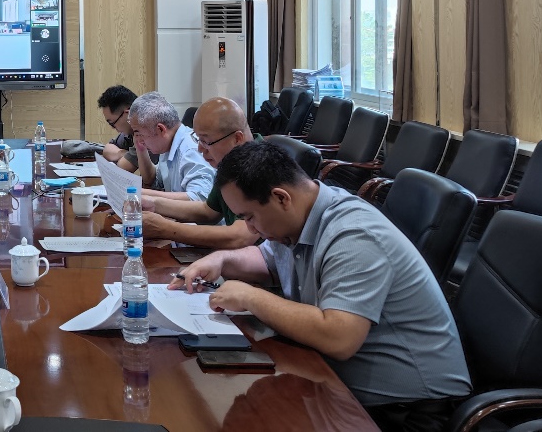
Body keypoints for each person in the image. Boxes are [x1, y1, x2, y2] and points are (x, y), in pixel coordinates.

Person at [171, 142, 471, 430]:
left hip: (405, 409)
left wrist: (251, 297)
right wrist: (221, 259)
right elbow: (266, 260)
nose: (250, 228)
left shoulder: (354, 234)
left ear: (281, 198)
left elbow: (339, 338)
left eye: (249, 217)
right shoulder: (300, 217)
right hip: (336, 382)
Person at [140, 97, 262, 250]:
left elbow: (240, 236)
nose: (200, 149)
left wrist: (165, 228)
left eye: (206, 141)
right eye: (198, 139)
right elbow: (209, 212)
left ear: (237, 138)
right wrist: (153, 204)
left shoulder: (260, 166)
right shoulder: (229, 163)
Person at [128, 91, 214, 201]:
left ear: (160, 129)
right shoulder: (168, 144)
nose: (138, 139)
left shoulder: (191, 150)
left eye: (139, 133)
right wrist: (141, 150)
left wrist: (141, 193)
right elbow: (153, 180)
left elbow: (199, 199)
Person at [97, 85, 145, 172]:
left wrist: (123, 155)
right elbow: (107, 149)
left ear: (128, 114)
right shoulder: (130, 131)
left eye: (112, 123)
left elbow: (123, 166)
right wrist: (123, 153)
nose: (113, 128)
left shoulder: (147, 131)